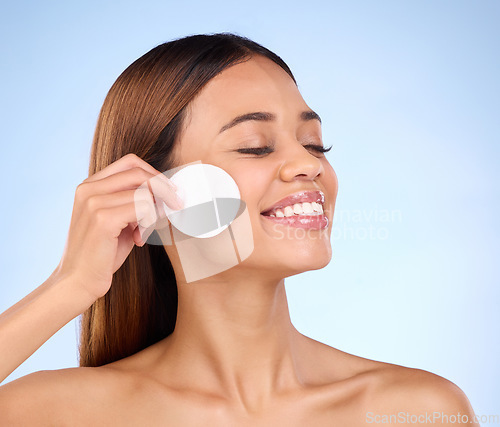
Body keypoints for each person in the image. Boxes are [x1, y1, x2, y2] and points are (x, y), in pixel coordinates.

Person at [0, 32, 477, 425]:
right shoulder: (59, 413)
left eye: (314, 142)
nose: (306, 164)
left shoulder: (419, 411)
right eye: (254, 146)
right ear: (153, 192)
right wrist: (69, 286)